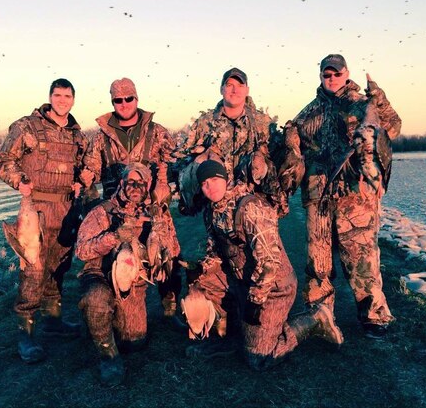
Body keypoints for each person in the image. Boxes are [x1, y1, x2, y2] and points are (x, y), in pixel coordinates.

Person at [181, 160, 343, 370]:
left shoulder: (250, 207)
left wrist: (256, 301)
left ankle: (315, 318)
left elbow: (269, 262)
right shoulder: (211, 212)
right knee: (201, 282)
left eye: (213, 180)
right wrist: (201, 270)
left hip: (274, 287)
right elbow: (216, 250)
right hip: (243, 280)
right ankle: (232, 332)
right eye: (204, 183)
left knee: (258, 359)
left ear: (225, 179)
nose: (209, 187)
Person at [289, 54, 402, 339]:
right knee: (318, 262)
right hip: (319, 199)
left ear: (346, 73)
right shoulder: (308, 112)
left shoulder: (363, 104)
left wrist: (380, 97)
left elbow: (393, 127)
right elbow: (292, 149)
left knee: (361, 258)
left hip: (356, 198)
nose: (331, 79)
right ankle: (319, 314)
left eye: (336, 74)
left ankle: (374, 317)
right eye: (326, 75)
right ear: (320, 77)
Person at [0, 78, 87, 363]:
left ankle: (54, 322)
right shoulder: (26, 127)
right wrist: (19, 180)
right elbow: (4, 161)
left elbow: (84, 167)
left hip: (65, 211)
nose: (62, 100)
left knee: (58, 268)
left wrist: (81, 182)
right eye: (57, 95)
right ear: (50, 97)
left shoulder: (77, 134)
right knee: (33, 270)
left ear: (73, 99)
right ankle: (26, 333)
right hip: (36, 210)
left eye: (67, 96)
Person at [80, 78, 182, 322]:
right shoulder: (100, 138)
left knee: (169, 254)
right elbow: (91, 170)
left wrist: (164, 181)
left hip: (152, 209)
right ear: (112, 102)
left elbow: (175, 162)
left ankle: (170, 306)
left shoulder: (157, 132)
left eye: (129, 99)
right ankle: (116, 303)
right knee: (121, 255)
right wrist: (82, 180)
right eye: (118, 100)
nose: (124, 104)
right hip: (117, 210)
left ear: (137, 99)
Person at [76, 163, 176, 385]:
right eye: (130, 181)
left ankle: (102, 324)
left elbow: (175, 249)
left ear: (148, 185)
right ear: (121, 183)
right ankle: (107, 356)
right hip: (100, 274)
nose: (135, 186)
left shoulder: (156, 214)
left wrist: (160, 238)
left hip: (132, 279)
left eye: (140, 182)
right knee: (95, 299)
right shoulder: (103, 211)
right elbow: (81, 251)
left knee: (134, 343)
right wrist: (113, 237)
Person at [172, 67, 279, 215]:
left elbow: (278, 162)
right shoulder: (205, 123)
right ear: (221, 89)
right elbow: (181, 160)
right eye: (230, 85)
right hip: (216, 209)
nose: (235, 90)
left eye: (240, 86)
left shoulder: (263, 123)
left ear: (247, 90)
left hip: (256, 208)